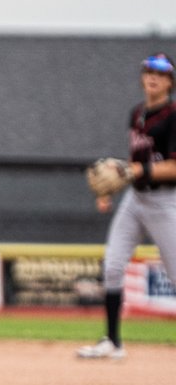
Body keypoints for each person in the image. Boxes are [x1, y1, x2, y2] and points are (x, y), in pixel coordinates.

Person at [80, 52, 176, 360]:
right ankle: (112, 341)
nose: (153, 77)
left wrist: (135, 171)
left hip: (164, 201)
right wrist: (111, 186)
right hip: (135, 199)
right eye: (149, 71)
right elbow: (133, 160)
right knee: (113, 265)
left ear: (170, 82)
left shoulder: (173, 115)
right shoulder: (137, 113)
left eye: (161, 74)